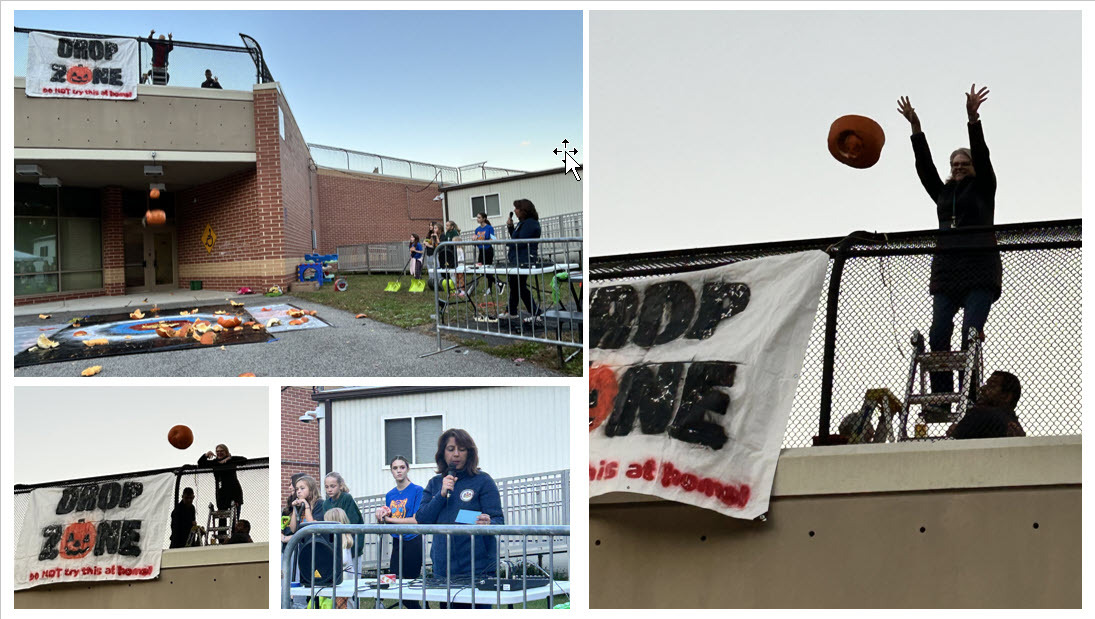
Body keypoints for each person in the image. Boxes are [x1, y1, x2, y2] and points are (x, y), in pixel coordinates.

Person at [898, 84, 1001, 421]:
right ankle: (941, 397)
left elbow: (982, 155)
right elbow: (925, 167)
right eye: (954, 163)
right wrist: (916, 129)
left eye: (963, 162)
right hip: (947, 268)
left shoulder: (984, 187)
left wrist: (973, 120)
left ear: (972, 166)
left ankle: (968, 397)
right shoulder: (943, 194)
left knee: (970, 332)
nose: (958, 167)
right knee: (938, 332)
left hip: (980, 266)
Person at [414, 429, 504, 609]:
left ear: (469, 453)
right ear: (442, 453)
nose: (456, 454)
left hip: (477, 570)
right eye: (451, 448)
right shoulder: (435, 483)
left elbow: (498, 520)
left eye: (462, 449)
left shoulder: (483, 481)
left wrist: (488, 523)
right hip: (444, 570)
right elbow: (422, 518)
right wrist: (440, 495)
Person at [374, 455, 424, 609]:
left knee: (409, 586)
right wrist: (382, 516)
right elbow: (390, 519)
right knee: (394, 582)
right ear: (391, 471)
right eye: (395, 468)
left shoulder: (417, 490)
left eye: (402, 467)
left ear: (407, 469)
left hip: (412, 540)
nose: (399, 471)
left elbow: (416, 520)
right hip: (396, 541)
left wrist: (389, 520)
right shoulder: (390, 495)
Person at [948, 371, 1025, 439]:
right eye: (986, 384)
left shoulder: (983, 414)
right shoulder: (1012, 423)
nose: (983, 389)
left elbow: (956, 435)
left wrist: (957, 429)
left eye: (992, 386)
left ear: (1006, 396)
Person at [502, 199, 543, 322]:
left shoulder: (530, 224)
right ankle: (512, 311)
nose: (515, 211)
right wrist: (511, 227)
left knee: (519, 286)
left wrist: (510, 242)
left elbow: (520, 241)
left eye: (517, 208)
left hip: (524, 259)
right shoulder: (523, 223)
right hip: (517, 259)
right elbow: (516, 237)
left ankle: (535, 312)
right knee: (515, 285)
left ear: (523, 210)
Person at [196, 444, 246, 536]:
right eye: (217, 451)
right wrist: (206, 455)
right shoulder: (215, 463)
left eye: (221, 451)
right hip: (221, 494)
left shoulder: (232, 460)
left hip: (234, 492)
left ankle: (234, 537)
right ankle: (221, 538)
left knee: (235, 518)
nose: (219, 453)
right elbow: (201, 463)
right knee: (222, 518)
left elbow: (244, 460)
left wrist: (229, 459)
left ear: (226, 452)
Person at [321, 472, 364, 573]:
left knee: (352, 574)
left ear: (340, 486)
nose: (329, 489)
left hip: (351, 543)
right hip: (335, 545)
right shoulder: (326, 503)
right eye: (327, 487)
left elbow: (352, 521)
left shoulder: (346, 498)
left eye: (333, 486)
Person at [473, 212, 503, 293]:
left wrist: (485, 241)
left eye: (479, 217)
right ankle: (498, 282)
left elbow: (493, 238)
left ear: (484, 219)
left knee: (488, 270)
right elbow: (475, 240)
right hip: (481, 251)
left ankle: (489, 288)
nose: (477, 219)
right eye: (477, 217)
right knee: (481, 271)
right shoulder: (477, 229)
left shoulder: (489, 228)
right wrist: (474, 239)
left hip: (488, 250)